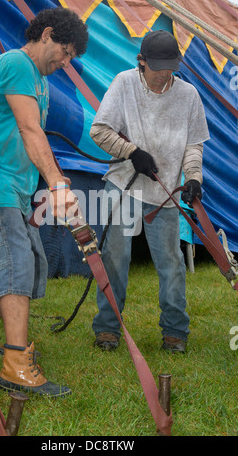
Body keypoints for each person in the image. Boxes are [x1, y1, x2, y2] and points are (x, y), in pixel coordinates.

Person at [0, 7, 88, 396]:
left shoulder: (37, 80)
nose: (65, 62)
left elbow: (29, 138)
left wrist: (51, 181)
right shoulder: (16, 63)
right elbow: (30, 129)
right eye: (65, 52)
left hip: (10, 188)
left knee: (23, 266)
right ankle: (16, 363)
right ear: (46, 34)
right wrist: (58, 186)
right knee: (14, 268)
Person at [90, 30, 209, 353]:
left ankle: (174, 331)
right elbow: (98, 130)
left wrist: (194, 177)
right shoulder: (124, 83)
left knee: (170, 262)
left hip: (166, 191)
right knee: (115, 257)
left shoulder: (189, 95)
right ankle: (107, 328)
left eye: (169, 68)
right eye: (157, 68)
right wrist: (131, 151)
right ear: (141, 61)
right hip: (123, 186)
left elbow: (193, 145)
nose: (163, 76)